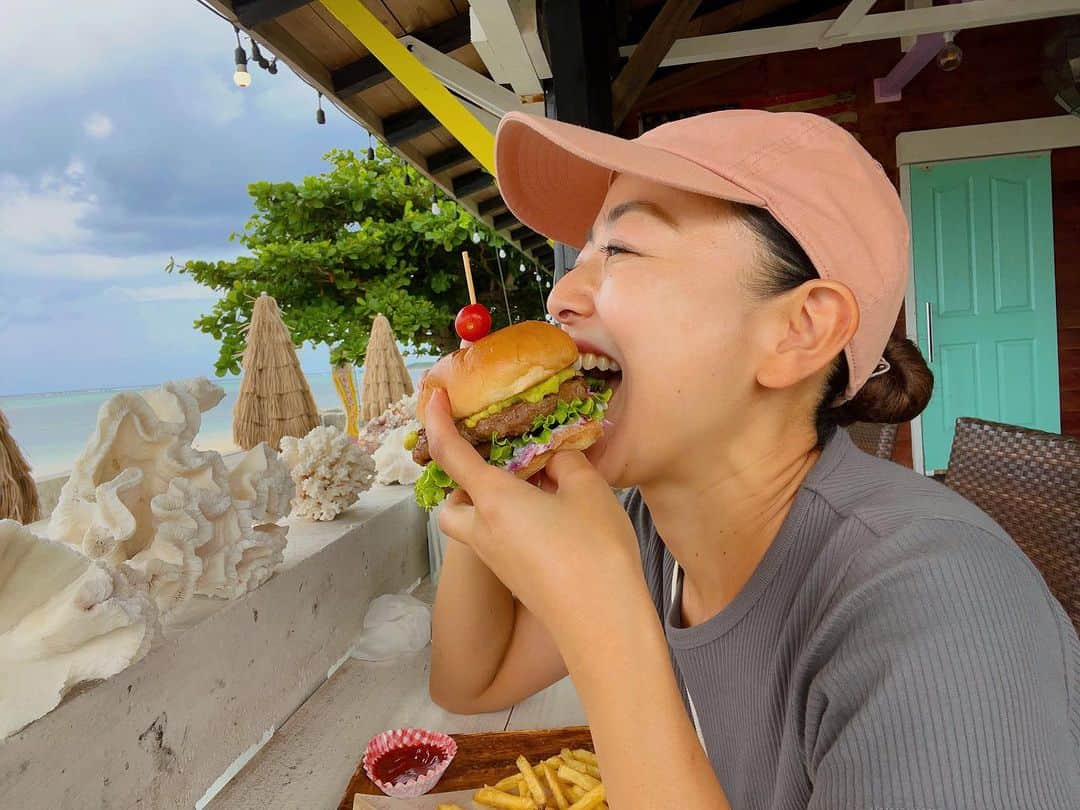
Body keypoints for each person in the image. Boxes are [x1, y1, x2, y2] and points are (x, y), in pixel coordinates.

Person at [424, 110, 1080, 809]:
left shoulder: (941, 607)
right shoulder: (655, 530)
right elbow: (471, 682)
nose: (560, 295)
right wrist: (481, 450)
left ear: (800, 331)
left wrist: (605, 623)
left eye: (621, 250)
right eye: (581, 255)